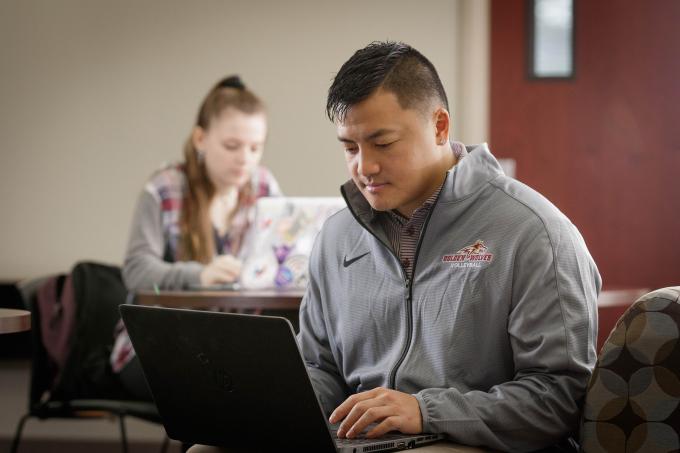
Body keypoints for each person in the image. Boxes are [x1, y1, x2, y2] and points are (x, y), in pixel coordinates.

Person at [188, 42, 600, 453]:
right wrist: (269, 405)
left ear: (439, 127)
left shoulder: (535, 233)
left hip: (474, 442)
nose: (364, 167)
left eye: (383, 144)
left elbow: (559, 398)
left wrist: (426, 411)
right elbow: (321, 368)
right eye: (350, 148)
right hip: (362, 442)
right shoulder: (336, 238)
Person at [111, 75, 281, 400]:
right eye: (232, 146)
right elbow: (136, 270)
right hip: (154, 346)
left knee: (268, 384)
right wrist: (199, 275)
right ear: (201, 139)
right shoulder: (164, 188)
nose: (245, 158)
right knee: (222, 390)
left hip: (231, 345)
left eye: (255, 148)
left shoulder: (264, 187)